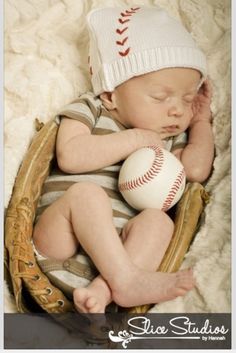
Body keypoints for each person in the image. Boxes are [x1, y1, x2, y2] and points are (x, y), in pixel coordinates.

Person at [33, 6, 214, 313]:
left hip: (112, 265)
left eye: (186, 100)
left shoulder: (167, 140)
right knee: (87, 196)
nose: (177, 111)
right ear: (110, 94)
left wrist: (200, 123)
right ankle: (126, 280)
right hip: (59, 243)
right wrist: (134, 139)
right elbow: (70, 156)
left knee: (159, 221)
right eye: (160, 97)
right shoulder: (91, 108)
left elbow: (195, 170)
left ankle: (106, 290)